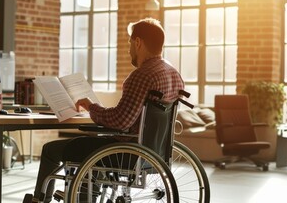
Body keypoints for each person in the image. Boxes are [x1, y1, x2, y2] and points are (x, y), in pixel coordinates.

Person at [23, 18, 185, 203]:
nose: (129, 48)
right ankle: (82, 197)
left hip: (126, 154)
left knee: (51, 149)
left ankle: (40, 200)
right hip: (155, 152)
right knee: (90, 150)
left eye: (130, 42)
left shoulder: (141, 76)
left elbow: (120, 121)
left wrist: (91, 107)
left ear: (138, 42)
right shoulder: (174, 74)